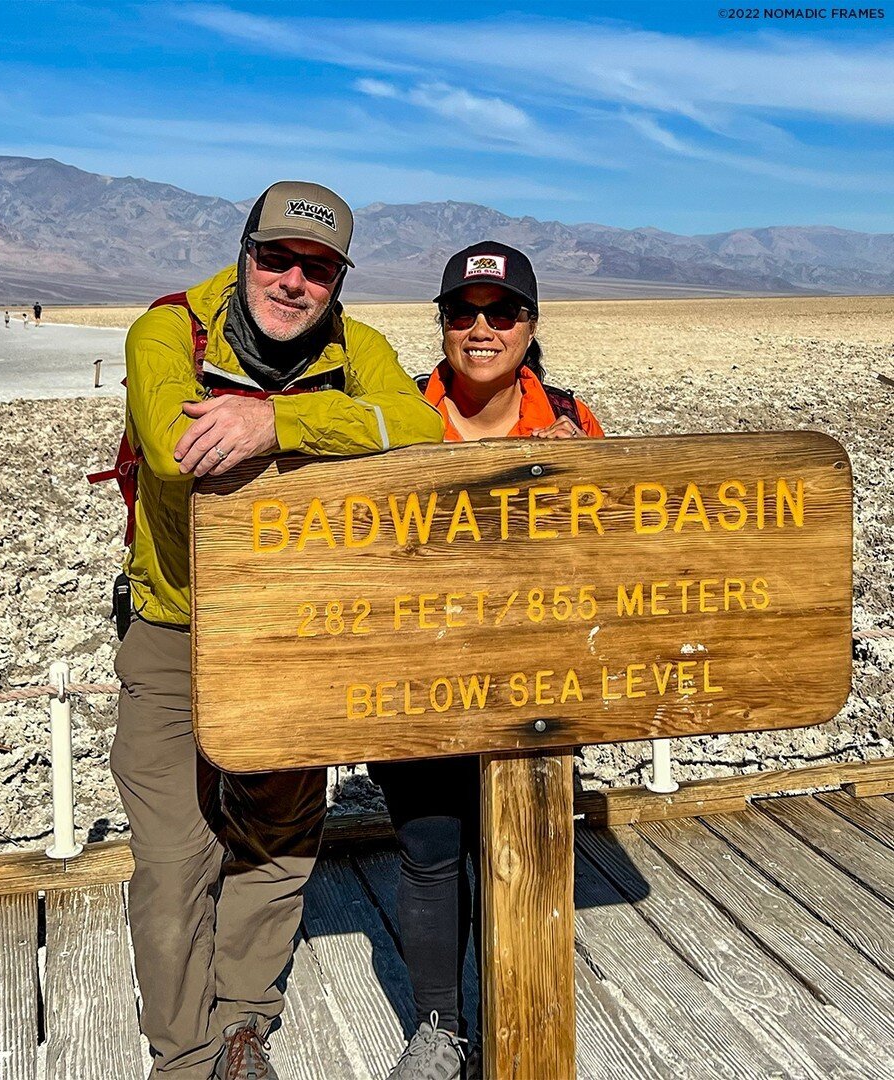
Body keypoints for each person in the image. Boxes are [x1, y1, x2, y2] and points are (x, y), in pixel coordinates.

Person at [111, 180, 443, 1080]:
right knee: (176, 853)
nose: (294, 282)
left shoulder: (356, 347)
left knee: (281, 832)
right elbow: (176, 452)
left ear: (339, 280)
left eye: (319, 269)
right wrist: (331, 438)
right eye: (277, 257)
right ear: (246, 248)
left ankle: (244, 1024)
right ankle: (184, 1056)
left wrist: (275, 420)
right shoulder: (170, 330)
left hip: (295, 630)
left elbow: (417, 426)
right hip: (177, 630)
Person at [369, 242, 604, 1080]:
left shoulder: (571, 423)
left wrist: (586, 478)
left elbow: (616, 563)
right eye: (462, 312)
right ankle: (442, 1029)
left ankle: (524, 1010)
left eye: (500, 313)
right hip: (417, 675)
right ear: (441, 324)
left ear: (529, 326)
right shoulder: (391, 416)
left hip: (534, 680)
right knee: (431, 844)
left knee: (517, 841)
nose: (480, 328)